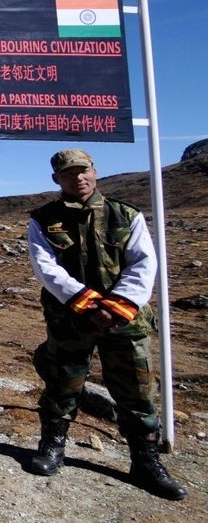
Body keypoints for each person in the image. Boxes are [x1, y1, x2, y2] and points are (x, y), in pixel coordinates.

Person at [25, 148, 186, 500]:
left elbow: (143, 263)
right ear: (56, 179)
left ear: (95, 171)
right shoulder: (42, 219)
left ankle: (145, 461)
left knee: (137, 391)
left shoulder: (126, 214)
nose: (78, 178)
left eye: (83, 170)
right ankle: (52, 446)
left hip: (124, 321)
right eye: (69, 173)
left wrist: (116, 305)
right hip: (70, 318)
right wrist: (85, 302)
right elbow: (45, 266)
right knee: (61, 383)